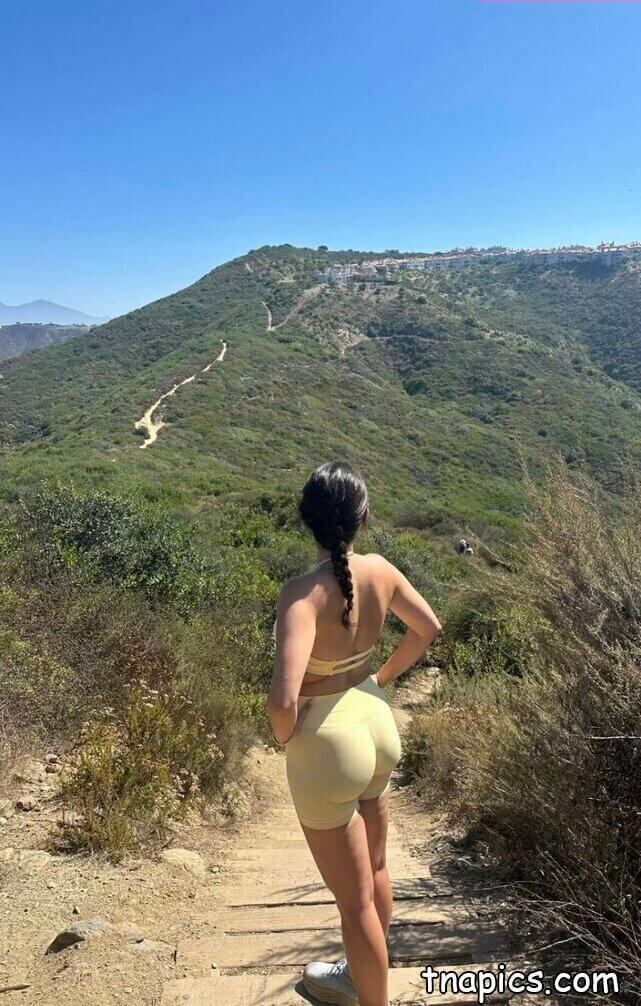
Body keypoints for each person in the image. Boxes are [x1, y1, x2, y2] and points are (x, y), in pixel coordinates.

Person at [268, 461, 442, 1006]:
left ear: (307, 519)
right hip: (374, 720)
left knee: (355, 902)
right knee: (378, 869)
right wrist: (382, 679)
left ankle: (370, 994)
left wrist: (288, 738)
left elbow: (282, 702)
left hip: (327, 744)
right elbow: (428, 628)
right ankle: (358, 976)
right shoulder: (381, 570)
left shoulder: (300, 595)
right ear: (362, 519)